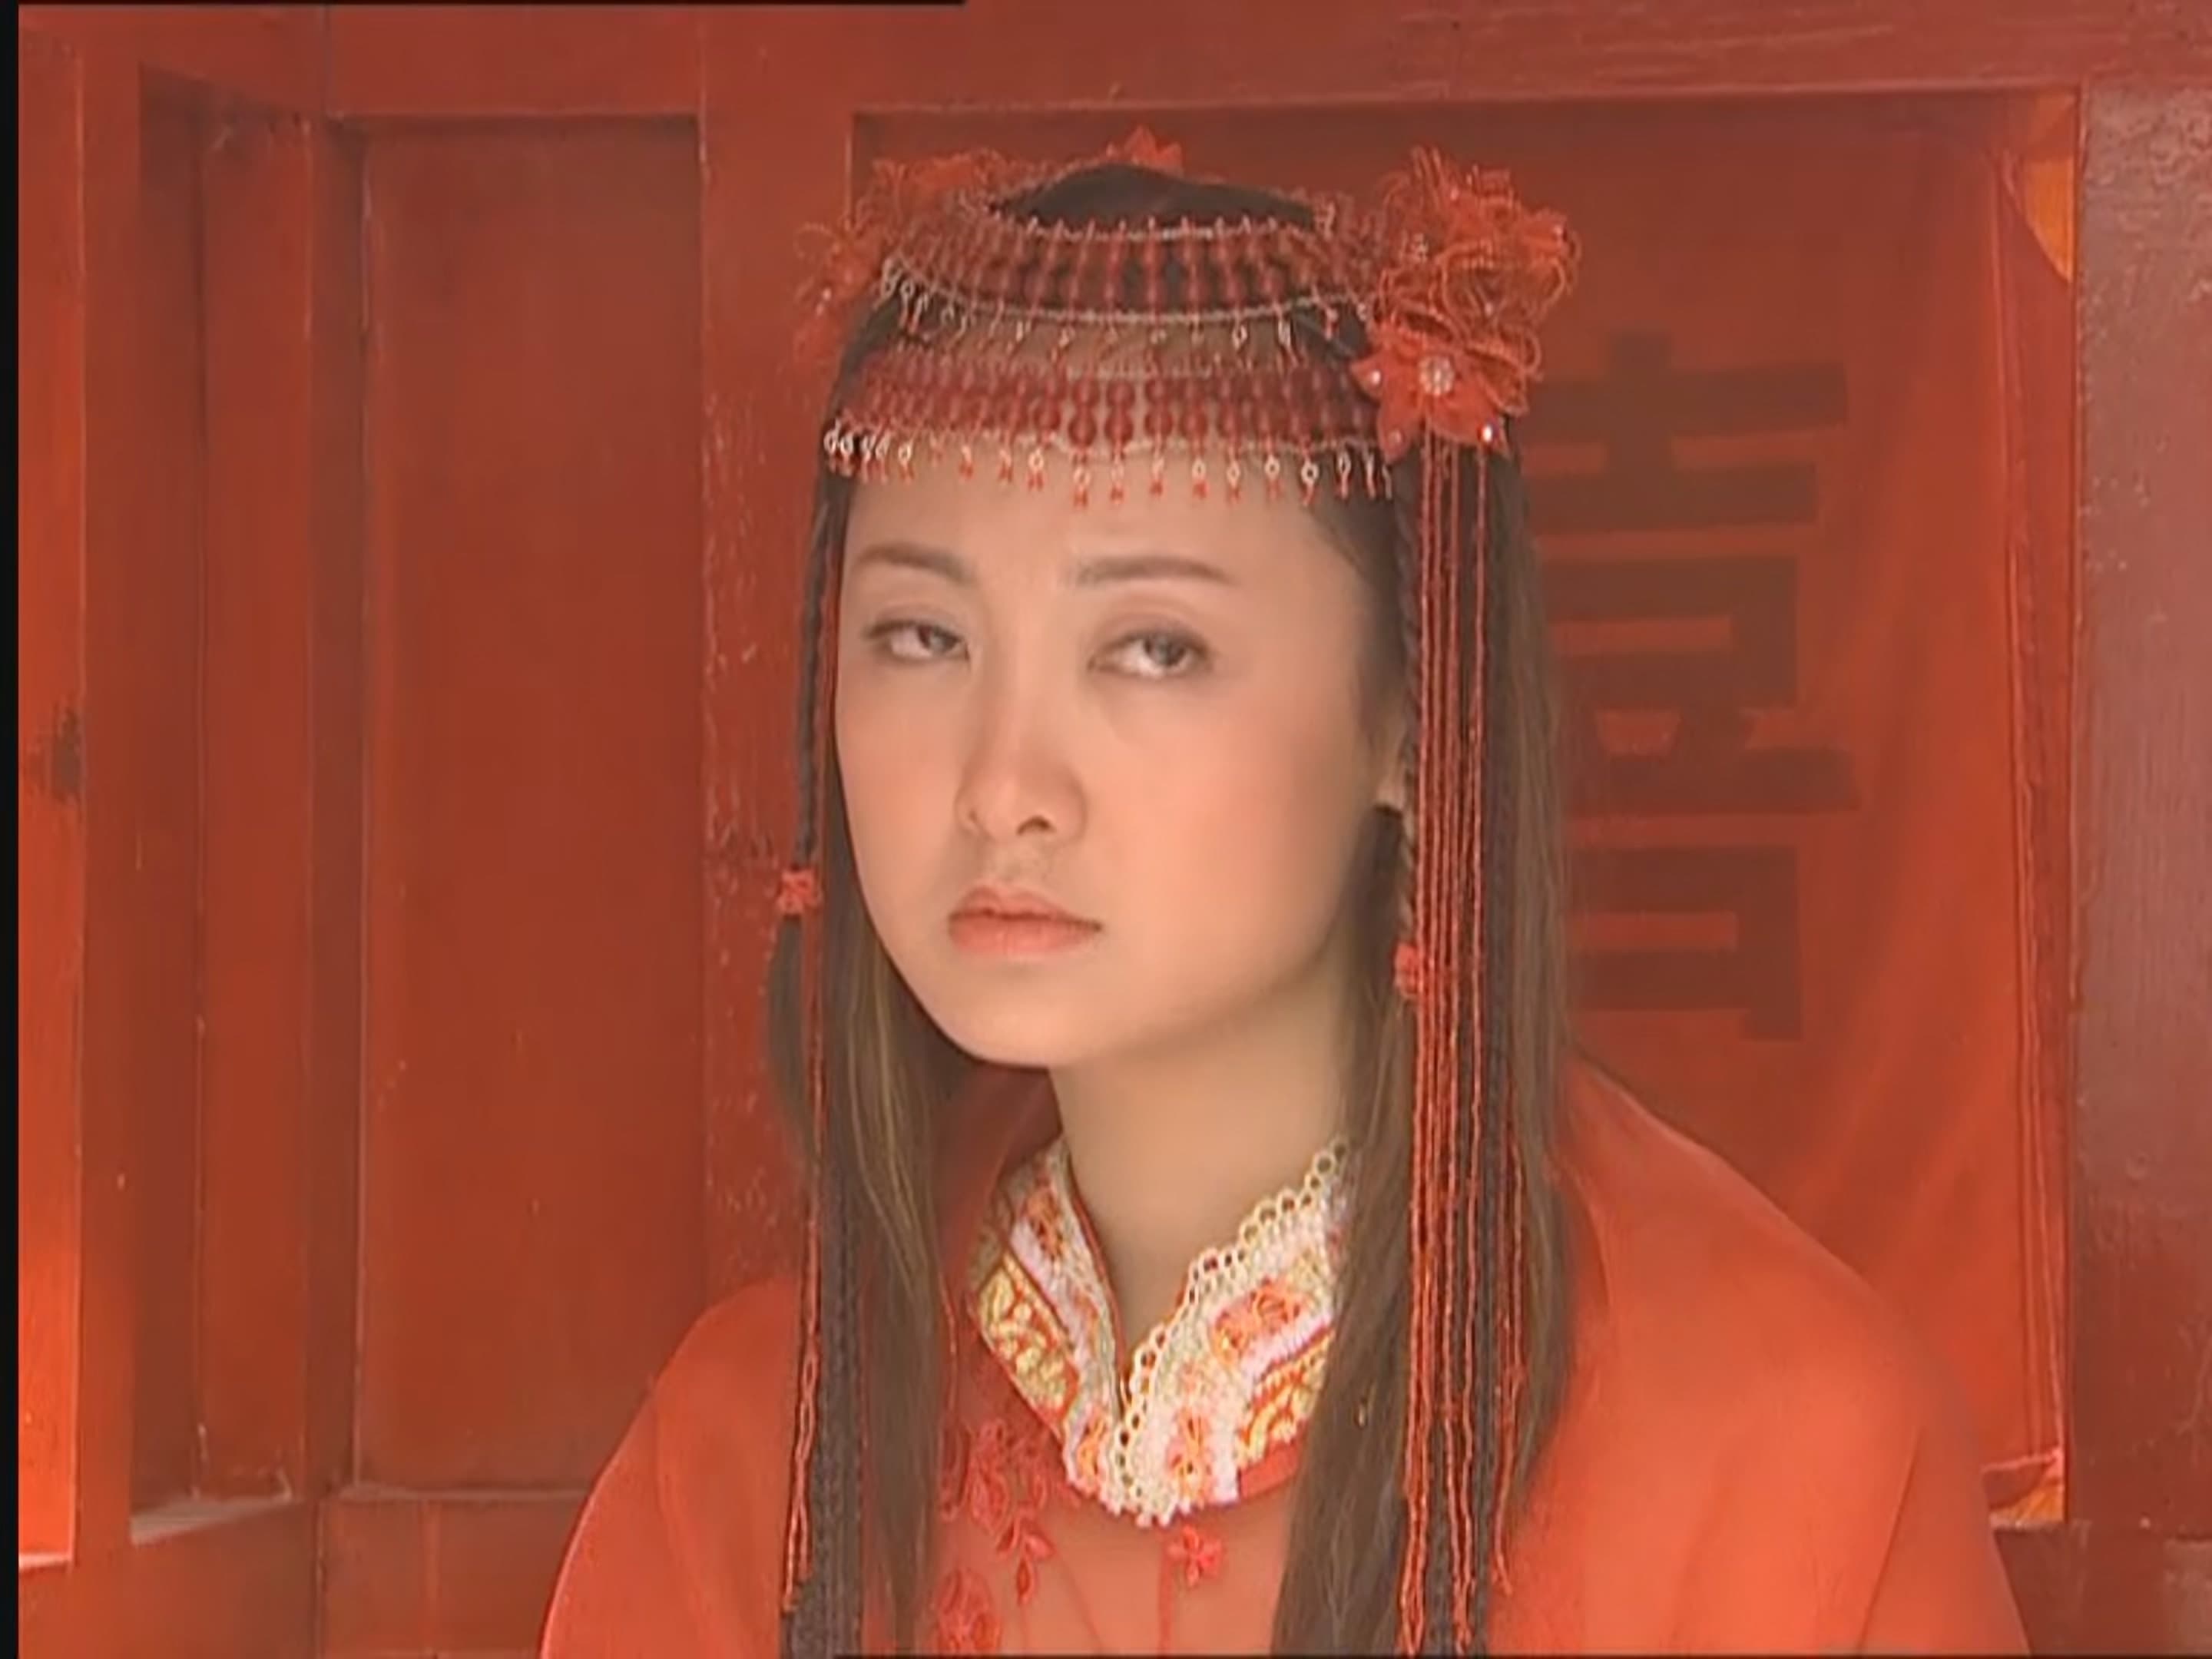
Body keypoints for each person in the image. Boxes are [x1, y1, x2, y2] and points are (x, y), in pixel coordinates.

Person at [539, 131, 2028, 1655]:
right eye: (923, 637)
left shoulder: (1776, 1457)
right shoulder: (757, 1460)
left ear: (1408, 716)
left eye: (1155, 648)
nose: (1003, 784)